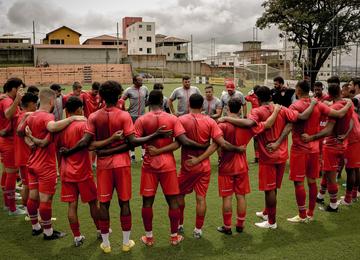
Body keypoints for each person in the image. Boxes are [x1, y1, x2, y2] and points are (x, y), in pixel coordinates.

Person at [59, 81, 171, 253]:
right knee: (124, 202)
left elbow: (85, 142)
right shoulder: (124, 116)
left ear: (101, 96)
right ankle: (126, 243)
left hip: (104, 164)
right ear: (119, 96)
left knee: (103, 203)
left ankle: (106, 244)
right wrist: (155, 135)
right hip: (122, 163)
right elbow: (132, 142)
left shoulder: (94, 116)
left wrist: (69, 151)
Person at [221, 86, 316, 229]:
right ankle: (267, 212)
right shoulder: (282, 109)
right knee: (273, 188)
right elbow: (299, 118)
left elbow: (248, 123)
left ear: (258, 99)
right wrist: (314, 104)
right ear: (270, 97)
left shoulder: (257, 111)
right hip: (282, 155)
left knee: (269, 190)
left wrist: (225, 118)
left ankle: (271, 222)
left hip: (268, 156)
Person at [187, 99, 281, 235]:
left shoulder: (223, 125)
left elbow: (216, 145)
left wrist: (200, 159)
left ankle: (227, 227)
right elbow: (267, 124)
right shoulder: (248, 125)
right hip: (242, 166)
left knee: (227, 198)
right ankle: (240, 225)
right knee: (241, 196)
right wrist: (277, 111)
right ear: (240, 109)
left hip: (226, 166)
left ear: (228, 108)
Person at [134, 90, 209, 246]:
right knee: (172, 201)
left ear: (148, 102)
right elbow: (181, 142)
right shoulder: (172, 119)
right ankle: (174, 237)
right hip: (168, 165)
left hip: (149, 165)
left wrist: (152, 143)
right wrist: (202, 146)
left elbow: (134, 141)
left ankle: (149, 238)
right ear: (162, 100)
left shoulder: (142, 119)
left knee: (147, 202)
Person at [170, 93, 245, 238]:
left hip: (187, 165)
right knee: (201, 198)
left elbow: (178, 142)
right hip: (204, 166)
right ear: (202, 105)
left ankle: (179, 225)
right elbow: (220, 144)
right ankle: (198, 230)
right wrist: (238, 149)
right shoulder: (210, 121)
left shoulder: (181, 120)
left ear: (189, 105)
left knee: (179, 195)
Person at [278, 80, 351, 223]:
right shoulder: (318, 104)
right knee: (312, 181)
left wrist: (277, 142)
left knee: (299, 183)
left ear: (298, 90)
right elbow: (338, 114)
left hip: (300, 149)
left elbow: (289, 126)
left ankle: (302, 215)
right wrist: (348, 104)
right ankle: (310, 213)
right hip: (315, 149)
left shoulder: (295, 105)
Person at [21, 88, 86, 240]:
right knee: (45, 200)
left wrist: (31, 140)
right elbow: (51, 127)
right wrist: (72, 119)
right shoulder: (47, 116)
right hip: (45, 166)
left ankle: (35, 227)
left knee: (33, 196)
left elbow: (23, 132)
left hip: (32, 162)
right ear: (51, 101)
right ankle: (48, 232)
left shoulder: (31, 116)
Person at [301, 83, 354, 212]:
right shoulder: (348, 104)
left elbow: (329, 130)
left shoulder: (335, 108)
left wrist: (312, 137)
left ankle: (333, 205)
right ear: (340, 92)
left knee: (331, 176)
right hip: (342, 143)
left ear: (329, 94)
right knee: (326, 171)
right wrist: (346, 134)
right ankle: (320, 195)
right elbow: (352, 121)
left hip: (331, 145)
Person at [56, 96, 101, 247]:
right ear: (78, 109)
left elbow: (57, 149)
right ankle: (100, 230)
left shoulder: (60, 126)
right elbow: (90, 144)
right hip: (82, 171)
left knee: (71, 205)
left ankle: (77, 237)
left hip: (66, 172)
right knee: (93, 203)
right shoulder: (84, 124)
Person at [0, 77, 25, 215]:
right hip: (8, 142)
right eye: (20, 88)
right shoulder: (7, 100)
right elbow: (8, 114)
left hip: (6, 140)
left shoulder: (4, 99)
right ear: (14, 89)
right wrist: (16, 101)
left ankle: (7, 203)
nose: (22, 91)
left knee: (7, 172)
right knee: (11, 174)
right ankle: (12, 208)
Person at [14, 93, 39, 214]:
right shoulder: (26, 117)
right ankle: (30, 212)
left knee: (26, 185)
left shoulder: (21, 115)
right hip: (26, 156)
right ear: (29, 104)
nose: (36, 106)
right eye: (34, 104)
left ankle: (28, 210)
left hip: (23, 155)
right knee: (29, 186)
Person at [122, 75, 149, 162]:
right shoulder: (128, 90)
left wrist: (145, 105)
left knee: (143, 135)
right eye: (139, 80)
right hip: (132, 116)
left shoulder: (145, 89)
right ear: (134, 81)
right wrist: (125, 109)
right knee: (131, 136)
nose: (141, 82)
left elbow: (147, 99)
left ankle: (143, 155)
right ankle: (132, 156)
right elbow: (121, 101)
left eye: (142, 80)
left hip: (142, 116)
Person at [246, 85, 261, 162]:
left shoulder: (262, 98)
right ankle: (257, 157)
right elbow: (245, 98)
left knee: (261, 138)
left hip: (262, 119)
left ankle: (261, 156)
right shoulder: (252, 97)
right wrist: (250, 94)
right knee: (255, 139)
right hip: (254, 120)